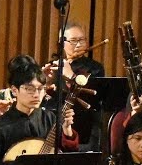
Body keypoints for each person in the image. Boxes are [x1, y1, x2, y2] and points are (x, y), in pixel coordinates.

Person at [44, 19, 106, 151]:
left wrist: (70, 75)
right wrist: (46, 82)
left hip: (83, 129)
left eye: (82, 40)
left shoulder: (95, 68)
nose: (78, 45)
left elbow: (91, 98)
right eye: (73, 41)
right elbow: (45, 100)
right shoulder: (54, 64)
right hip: (53, 130)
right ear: (62, 43)